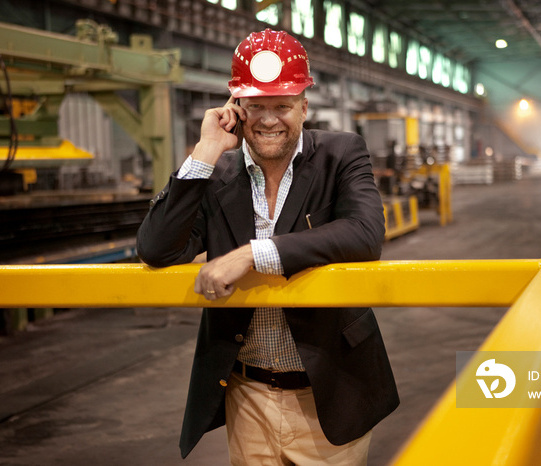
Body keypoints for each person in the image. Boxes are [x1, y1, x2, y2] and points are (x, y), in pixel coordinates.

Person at [136, 28, 399, 465]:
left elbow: (365, 233)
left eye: (283, 106)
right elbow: (157, 249)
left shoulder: (341, 155)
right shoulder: (218, 175)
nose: (269, 118)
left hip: (331, 393)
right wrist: (205, 151)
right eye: (256, 106)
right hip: (247, 395)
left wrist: (253, 253)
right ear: (236, 108)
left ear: (304, 107)